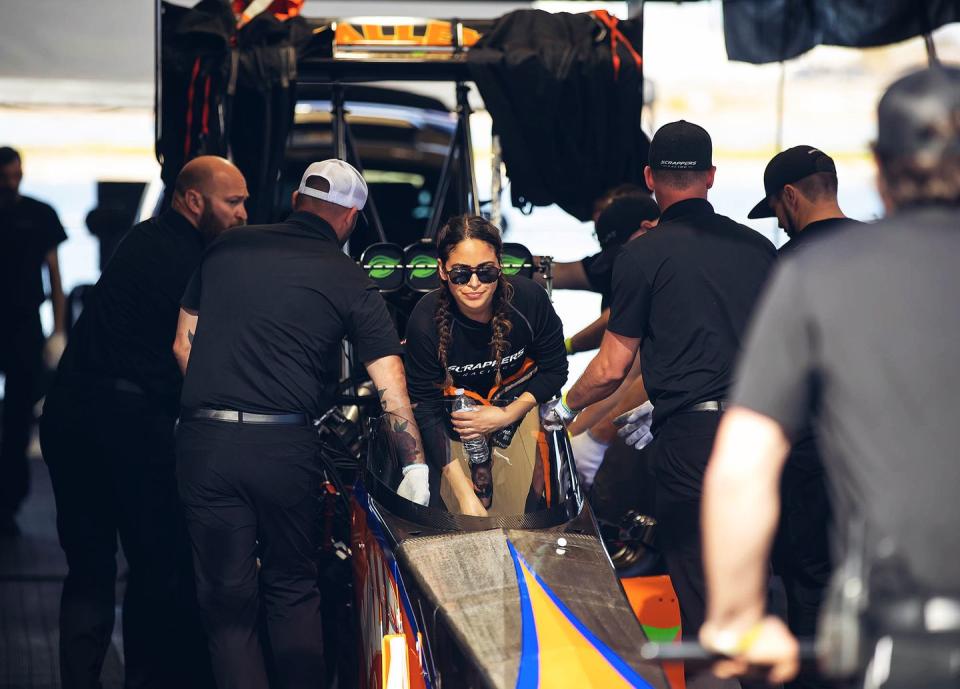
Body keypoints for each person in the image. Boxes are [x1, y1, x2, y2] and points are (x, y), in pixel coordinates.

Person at [699, 66, 960, 689]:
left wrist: (737, 618)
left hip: (897, 618)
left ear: (879, 166)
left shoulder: (814, 275)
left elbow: (743, 466)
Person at [174, 159, 427, 689]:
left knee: (226, 602)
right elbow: (389, 383)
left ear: (295, 201)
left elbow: (183, 346)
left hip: (206, 441)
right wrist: (415, 466)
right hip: (283, 445)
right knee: (292, 589)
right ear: (352, 219)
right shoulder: (348, 275)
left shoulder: (226, 247)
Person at [545, 120, 777, 659]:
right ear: (712, 177)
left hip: (692, 441)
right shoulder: (759, 249)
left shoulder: (643, 256)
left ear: (650, 178)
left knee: (697, 595)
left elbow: (611, 366)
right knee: (759, 587)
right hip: (761, 435)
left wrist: (561, 407)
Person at [39, 156, 247, 689]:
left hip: (73, 418)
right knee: (158, 567)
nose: (245, 213)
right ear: (193, 200)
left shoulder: (144, 241)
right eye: (234, 202)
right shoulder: (192, 259)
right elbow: (192, 355)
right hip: (127, 425)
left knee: (88, 570)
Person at [749, 145, 865, 689]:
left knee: (811, 587)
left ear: (790, 197)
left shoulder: (790, 265)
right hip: (886, 457)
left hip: (815, 455)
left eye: (775, 209)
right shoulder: (888, 249)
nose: (778, 221)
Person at [404, 214, 568, 515]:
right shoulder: (424, 321)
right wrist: (464, 493)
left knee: (526, 522)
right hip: (451, 435)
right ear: (442, 271)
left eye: (486, 272)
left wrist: (506, 414)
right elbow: (425, 409)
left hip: (519, 421)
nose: (475, 284)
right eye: (461, 274)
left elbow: (556, 369)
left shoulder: (529, 299)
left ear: (500, 266)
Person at [0, 146, 68, 534]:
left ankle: (8, 503)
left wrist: (58, 331)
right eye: (5, 177)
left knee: (19, 418)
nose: (12, 183)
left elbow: (54, 275)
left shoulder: (39, 214)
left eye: (16, 175)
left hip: (25, 325)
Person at [536, 185, 660, 354]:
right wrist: (501, 259)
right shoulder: (613, 261)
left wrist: (566, 347)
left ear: (646, 228)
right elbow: (554, 272)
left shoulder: (662, 265)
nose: (597, 222)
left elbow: (615, 319)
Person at [748, 144, 861, 254]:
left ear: (790, 195)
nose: (780, 224)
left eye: (775, 210)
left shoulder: (784, 264)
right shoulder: (876, 242)